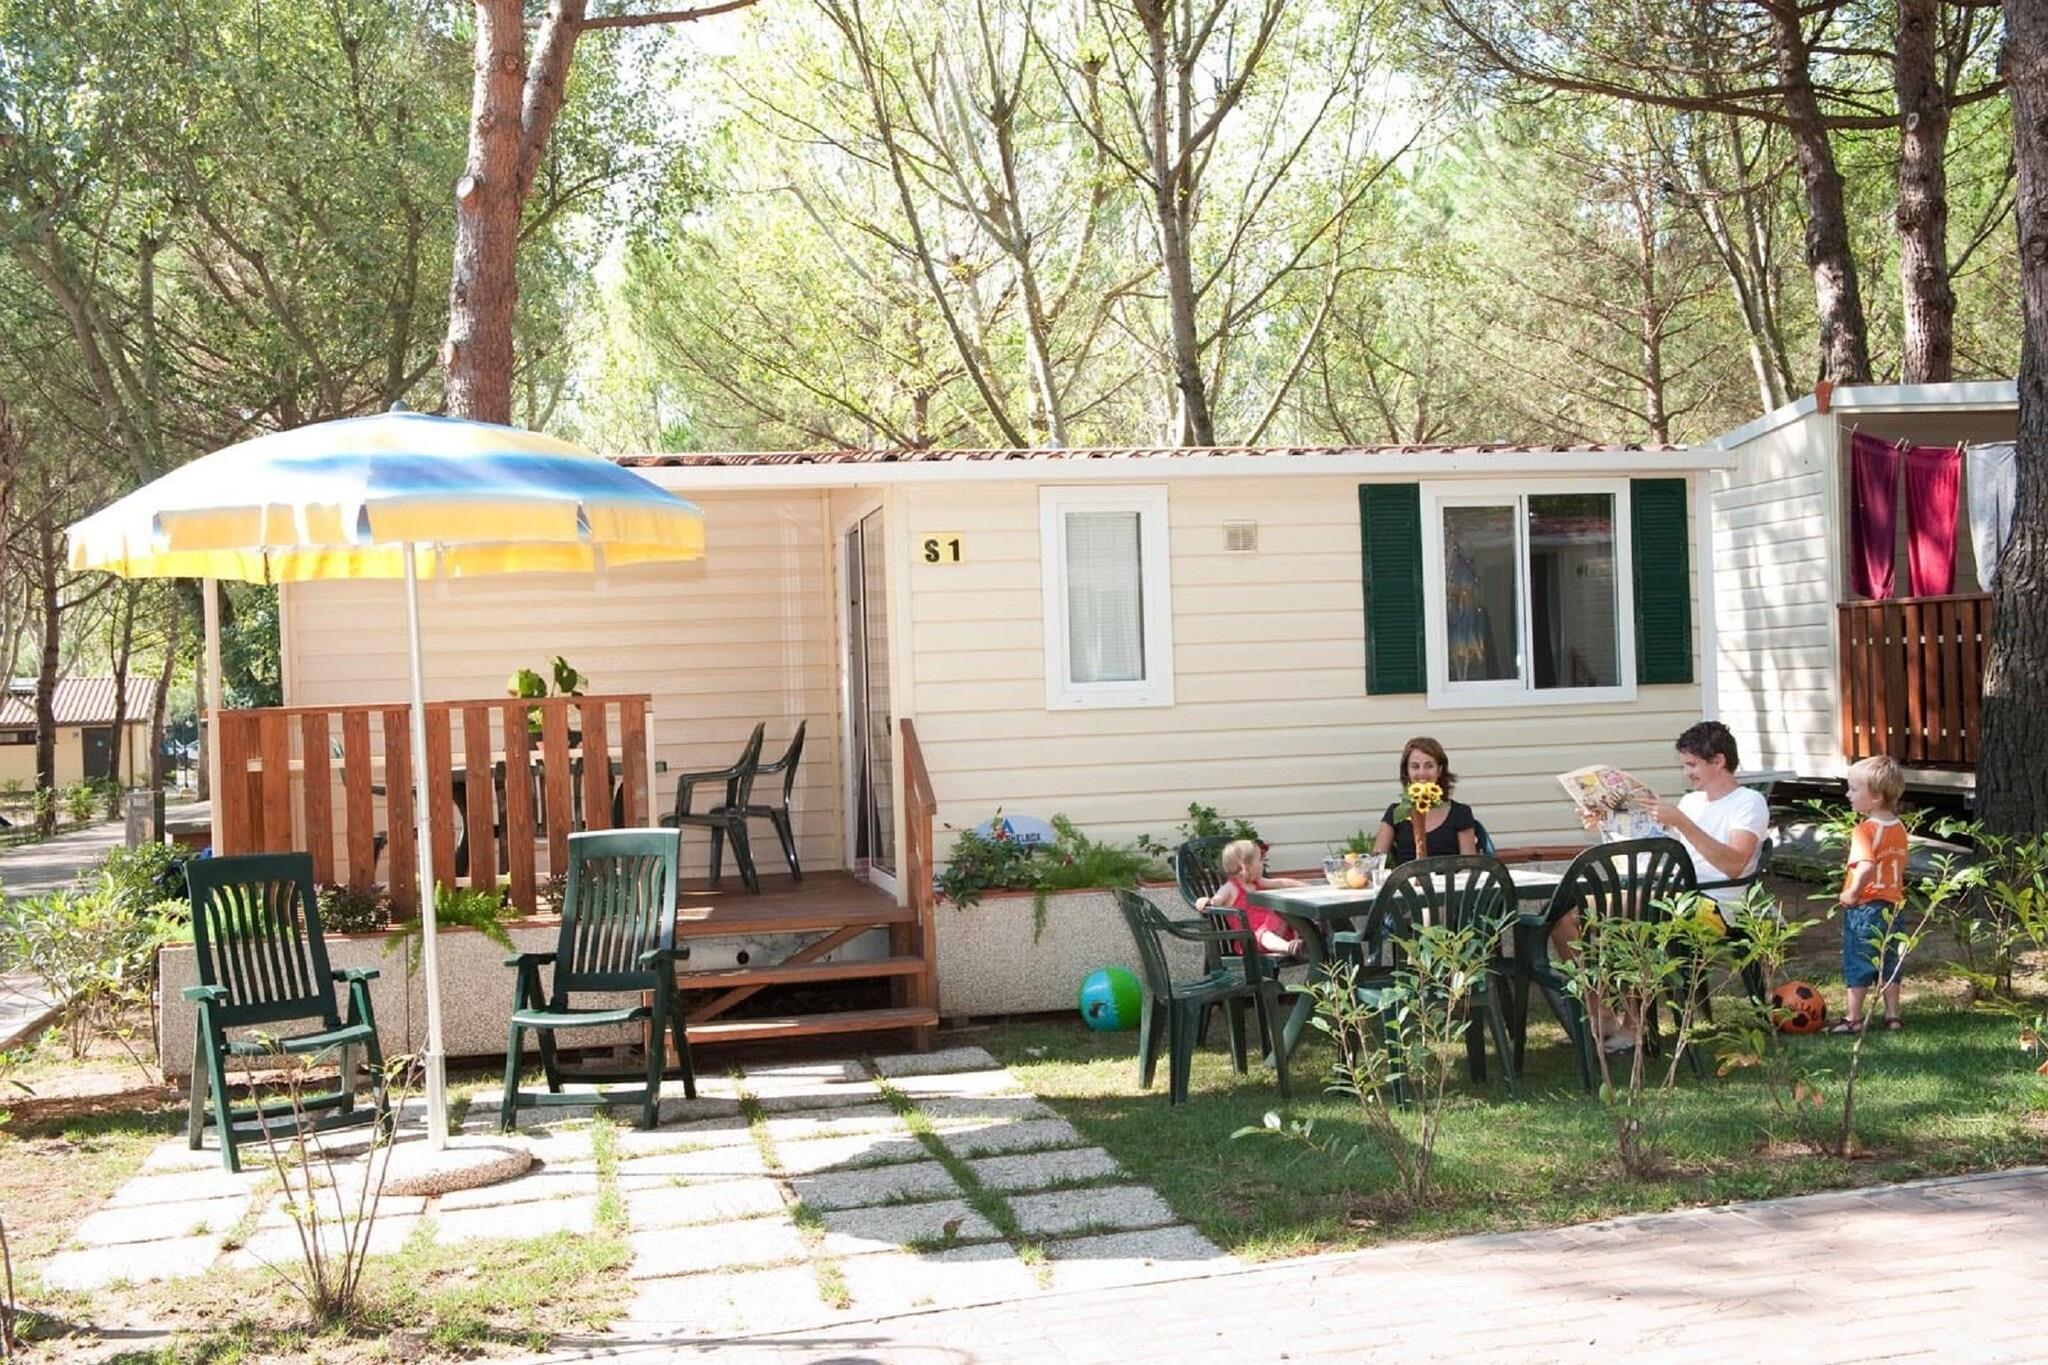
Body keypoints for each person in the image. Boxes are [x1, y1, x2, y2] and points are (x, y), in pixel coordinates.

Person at [1829, 755, 1908, 1034]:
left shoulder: (1865, 830)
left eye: (1853, 789)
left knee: (1858, 960)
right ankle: (1893, 1016)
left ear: (1875, 797)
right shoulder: (1899, 827)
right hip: (1893, 906)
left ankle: (1853, 1018)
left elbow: (1866, 866)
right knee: (1890, 960)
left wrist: (1852, 892)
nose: (1848, 794)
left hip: (1866, 906)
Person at [1373, 737, 1480, 864]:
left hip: (1450, 877)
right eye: (1415, 766)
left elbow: (1468, 867)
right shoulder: (1395, 813)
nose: (1422, 773)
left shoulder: (1460, 813)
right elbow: (1375, 863)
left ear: (1439, 770)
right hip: (1408, 877)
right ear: (1407, 771)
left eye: (1429, 766)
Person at [1203, 838, 1306, 958]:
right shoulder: (1231, 887)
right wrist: (1205, 901)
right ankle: (1289, 947)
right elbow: (1215, 901)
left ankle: (1302, 941)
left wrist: (1306, 887)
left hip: (1275, 930)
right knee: (1264, 934)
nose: (1263, 863)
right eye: (1260, 859)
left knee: (1288, 911)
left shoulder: (1258, 882)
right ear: (1245, 865)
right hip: (1251, 939)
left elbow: (1282, 883)